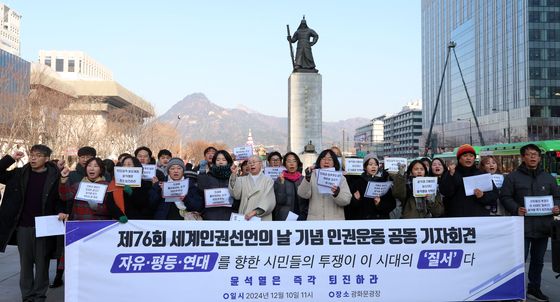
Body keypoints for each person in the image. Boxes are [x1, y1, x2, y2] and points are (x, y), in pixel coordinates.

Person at [0, 145, 64, 302]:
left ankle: (39, 296)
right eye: (32, 155)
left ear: (47, 159)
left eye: (38, 155)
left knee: (42, 264)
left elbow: (60, 198)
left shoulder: (55, 176)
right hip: (23, 226)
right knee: (26, 264)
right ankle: (27, 297)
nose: (33, 158)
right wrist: (10, 159)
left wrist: (61, 211)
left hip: (45, 227)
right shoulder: (19, 174)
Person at [501, 144, 560, 302]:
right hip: (521, 227)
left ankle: (534, 289)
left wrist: (557, 207)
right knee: (519, 261)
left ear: (539, 158)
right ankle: (516, 291)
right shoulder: (512, 177)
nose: (533, 157)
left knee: (538, 261)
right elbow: (505, 197)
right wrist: (516, 208)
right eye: (529, 154)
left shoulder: (549, 178)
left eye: (536, 154)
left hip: (543, 227)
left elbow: (557, 196)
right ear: (523, 157)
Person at [440, 144, 498, 217]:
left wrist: (483, 196)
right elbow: (445, 192)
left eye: (471, 156)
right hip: (456, 217)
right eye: (465, 156)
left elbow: (494, 195)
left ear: (474, 158)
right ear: (459, 158)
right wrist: (451, 176)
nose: (468, 158)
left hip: (478, 217)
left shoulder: (481, 174)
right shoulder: (451, 173)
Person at [297, 149, 351, 220]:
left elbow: (346, 200)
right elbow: (302, 194)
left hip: (335, 222)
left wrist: (337, 193)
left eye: (330, 159)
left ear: (334, 162)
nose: (326, 161)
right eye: (323, 159)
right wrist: (307, 178)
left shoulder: (340, 178)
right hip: (315, 221)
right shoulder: (312, 176)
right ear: (319, 161)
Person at [348, 154, 396, 220]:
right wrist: (355, 199)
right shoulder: (357, 183)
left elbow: (392, 204)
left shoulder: (383, 182)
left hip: (380, 222)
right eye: (370, 164)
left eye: (376, 164)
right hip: (363, 222)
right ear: (365, 167)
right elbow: (349, 206)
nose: (373, 167)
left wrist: (379, 204)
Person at [229, 155, 276, 220]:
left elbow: (269, 200)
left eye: (254, 162)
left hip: (261, 217)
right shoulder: (241, 179)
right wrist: (234, 175)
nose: (252, 164)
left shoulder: (268, 181)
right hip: (245, 216)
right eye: (250, 163)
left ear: (260, 164)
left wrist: (255, 212)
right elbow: (236, 195)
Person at [106, 156, 153, 221]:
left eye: (129, 164)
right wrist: (119, 215)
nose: (126, 167)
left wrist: (132, 193)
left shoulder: (145, 184)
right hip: (119, 221)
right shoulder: (115, 183)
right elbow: (110, 202)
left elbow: (145, 204)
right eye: (124, 165)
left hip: (138, 221)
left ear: (136, 166)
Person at [198, 150, 237, 220]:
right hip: (210, 216)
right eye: (218, 160)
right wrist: (202, 174)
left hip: (229, 215)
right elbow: (201, 189)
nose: (220, 162)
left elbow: (238, 195)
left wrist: (233, 202)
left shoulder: (232, 177)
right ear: (214, 162)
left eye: (224, 160)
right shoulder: (209, 175)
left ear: (228, 161)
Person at [273, 152, 308, 221]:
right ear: (285, 164)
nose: (292, 164)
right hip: (285, 217)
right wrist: (282, 183)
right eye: (289, 161)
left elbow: (307, 199)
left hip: (302, 217)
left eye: (294, 161)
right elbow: (280, 201)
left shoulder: (303, 179)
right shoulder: (280, 179)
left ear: (297, 163)